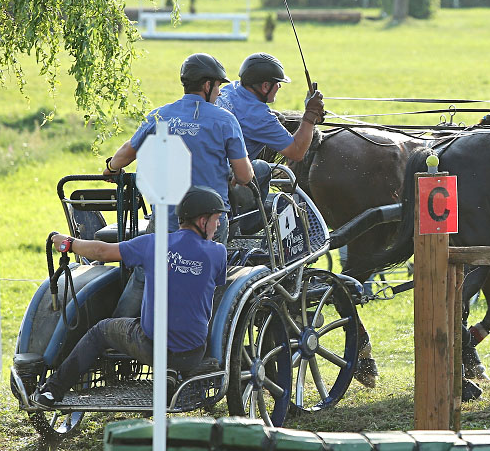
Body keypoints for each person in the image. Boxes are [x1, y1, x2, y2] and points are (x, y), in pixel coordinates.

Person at [31, 187, 230, 407]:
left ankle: (52, 391)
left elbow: (101, 252)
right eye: (216, 219)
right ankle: (170, 374)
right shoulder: (218, 253)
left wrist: (68, 243)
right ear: (202, 221)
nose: (218, 225)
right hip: (193, 353)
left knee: (101, 330)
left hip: (150, 349)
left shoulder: (152, 243)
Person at [104, 53, 253, 245]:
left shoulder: (159, 115)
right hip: (208, 222)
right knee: (209, 270)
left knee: (154, 269)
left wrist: (111, 168)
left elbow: (127, 151)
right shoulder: (225, 120)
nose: (219, 92)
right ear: (207, 86)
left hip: (166, 222)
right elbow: (245, 176)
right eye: (218, 86)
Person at [216, 53, 324, 231]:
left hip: (208, 168)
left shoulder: (231, 89)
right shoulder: (258, 116)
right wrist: (310, 117)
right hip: (227, 183)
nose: (280, 86)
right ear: (265, 86)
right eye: (277, 83)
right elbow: (297, 153)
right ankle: (246, 224)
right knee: (262, 168)